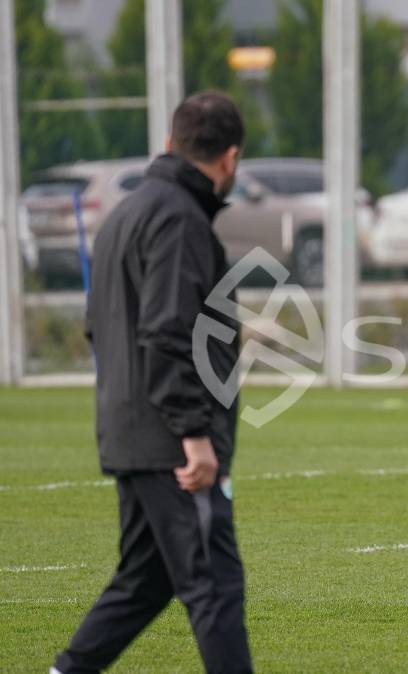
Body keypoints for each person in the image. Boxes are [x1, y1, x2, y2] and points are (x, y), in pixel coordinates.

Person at [53, 92, 252, 673]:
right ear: (231, 158)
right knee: (214, 585)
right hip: (172, 444)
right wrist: (193, 435)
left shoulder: (127, 213)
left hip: (130, 430)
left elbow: (99, 326)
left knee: (145, 581)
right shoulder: (180, 220)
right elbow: (167, 334)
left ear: (170, 143)